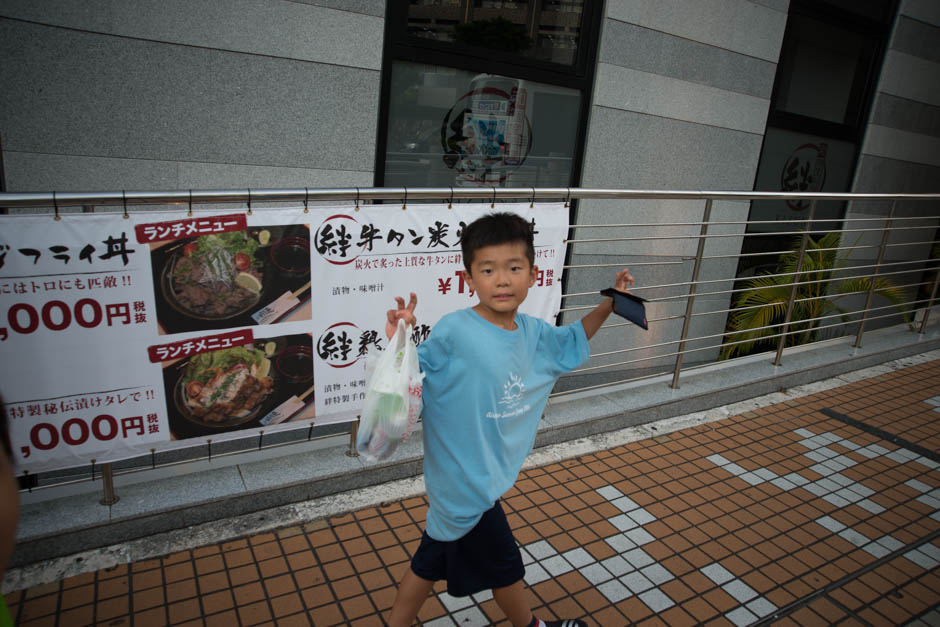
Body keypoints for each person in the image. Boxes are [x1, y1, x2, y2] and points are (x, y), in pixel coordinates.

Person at [383, 212, 635, 627]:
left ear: (533, 275)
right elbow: (406, 378)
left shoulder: (534, 334)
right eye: (488, 270)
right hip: (465, 483)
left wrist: (610, 303)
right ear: (469, 280)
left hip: (481, 478)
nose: (502, 280)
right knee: (504, 565)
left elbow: (571, 338)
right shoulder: (455, 331)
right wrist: (397, 338)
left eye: (514, 268)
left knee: (430, 561)